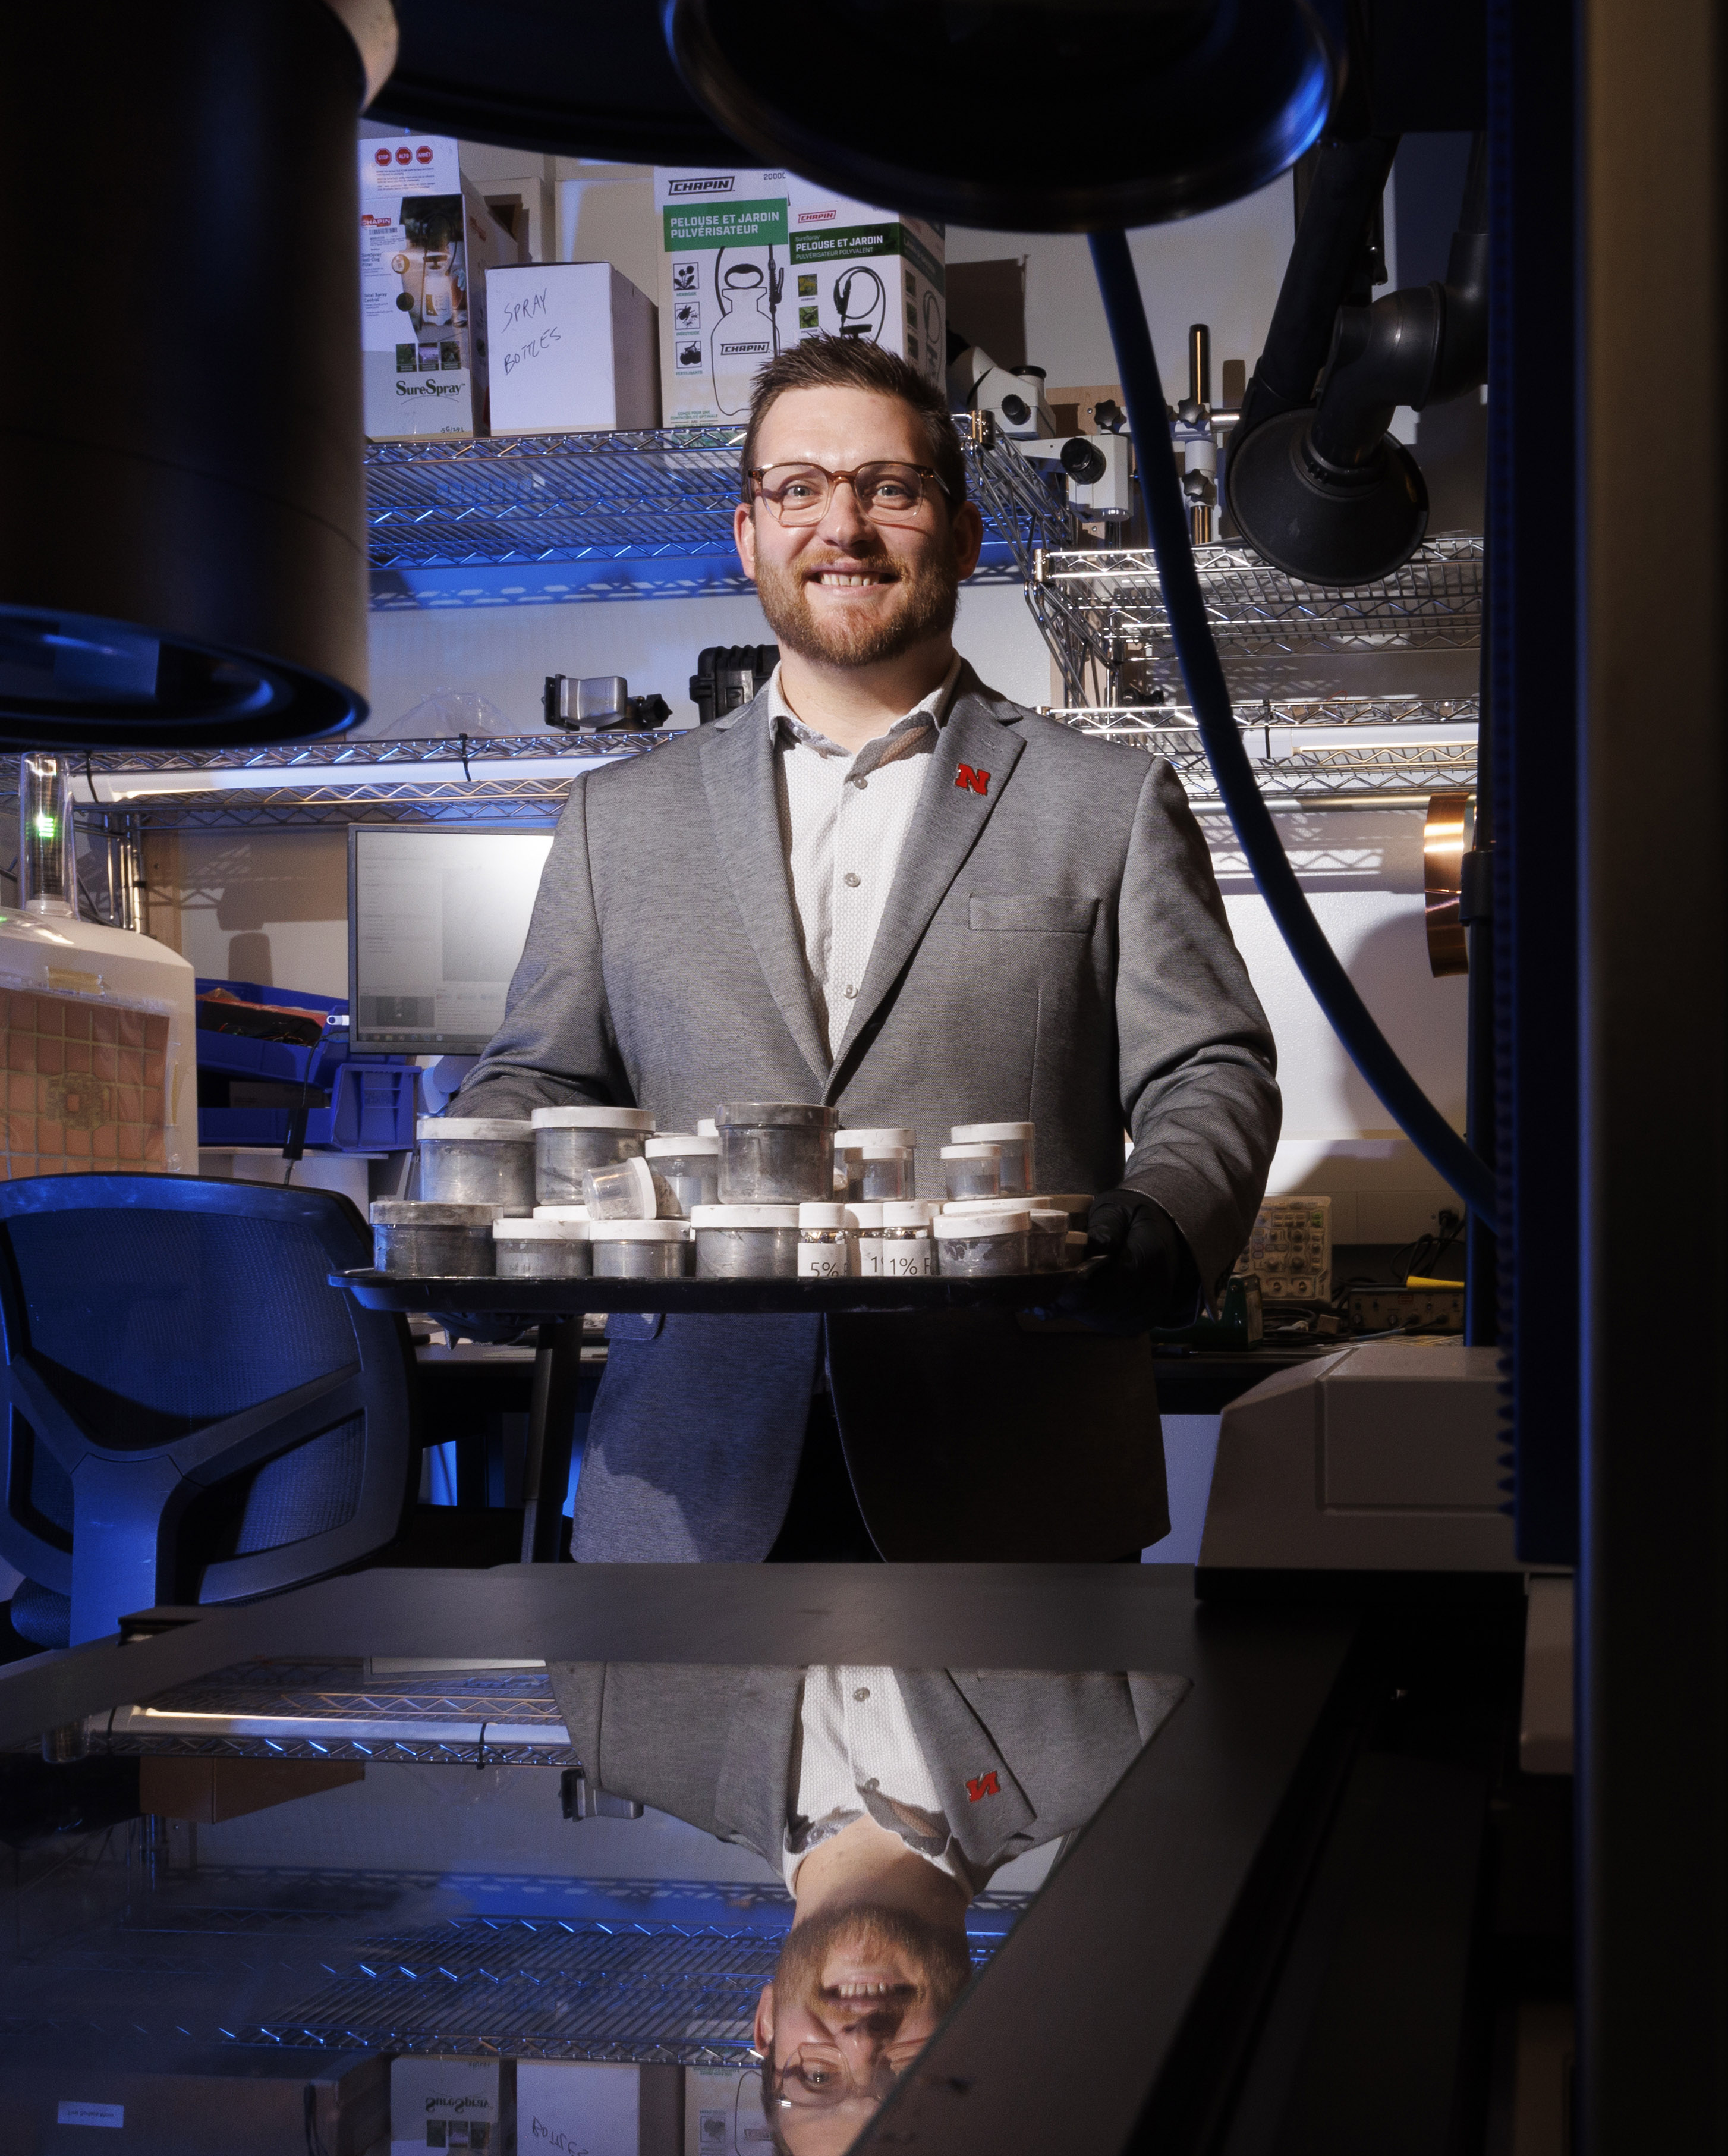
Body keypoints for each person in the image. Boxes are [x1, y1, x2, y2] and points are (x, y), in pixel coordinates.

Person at [450, 334, 1280, 1561]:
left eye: (887, 487)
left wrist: (1164, 1216)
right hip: (690, 1485)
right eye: (799, 488)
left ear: (958, 533)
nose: (842, 525)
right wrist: (478, 1171)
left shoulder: (1102, 802)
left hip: (1011, 1470)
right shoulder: (614, 820)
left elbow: (1209, 1069)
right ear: (748, 535)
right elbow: (543, 1079)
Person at [546, 1660, 1187, 2156]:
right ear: (970, 2035)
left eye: (818, 2076)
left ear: (767, 2025)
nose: (860, 2042)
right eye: (902, 2078)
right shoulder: (1122, 1741)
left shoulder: (623, 1728)